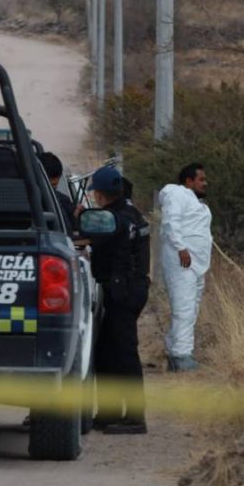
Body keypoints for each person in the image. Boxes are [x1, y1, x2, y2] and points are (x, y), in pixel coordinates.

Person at [86, 166, 151, 434]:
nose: (94, 198)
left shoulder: (113, 219)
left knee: (123, 354)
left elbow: (95, 242)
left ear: (101, 194)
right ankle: (110, 412)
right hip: (129, 290)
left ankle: (135, 417)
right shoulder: (132, 214)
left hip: (122, 292)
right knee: (106, 352)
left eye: (96, 193)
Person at [159, 163, 212, 372]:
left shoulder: (192, 200)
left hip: (196, 264)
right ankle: (181, 355)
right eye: (201, 179)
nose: (204, 183)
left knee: (191, 307)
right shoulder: (177, 194)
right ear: (189, 181)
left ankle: (177, 352)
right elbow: (171, 222)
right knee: (184, 307)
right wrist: (181, 248)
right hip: (182, 261)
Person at [39, 152, 77, 232]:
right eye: (48, 185)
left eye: (54, 185)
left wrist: (75, 215)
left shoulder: (63, 201)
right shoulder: (61, 201)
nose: (52, 189)